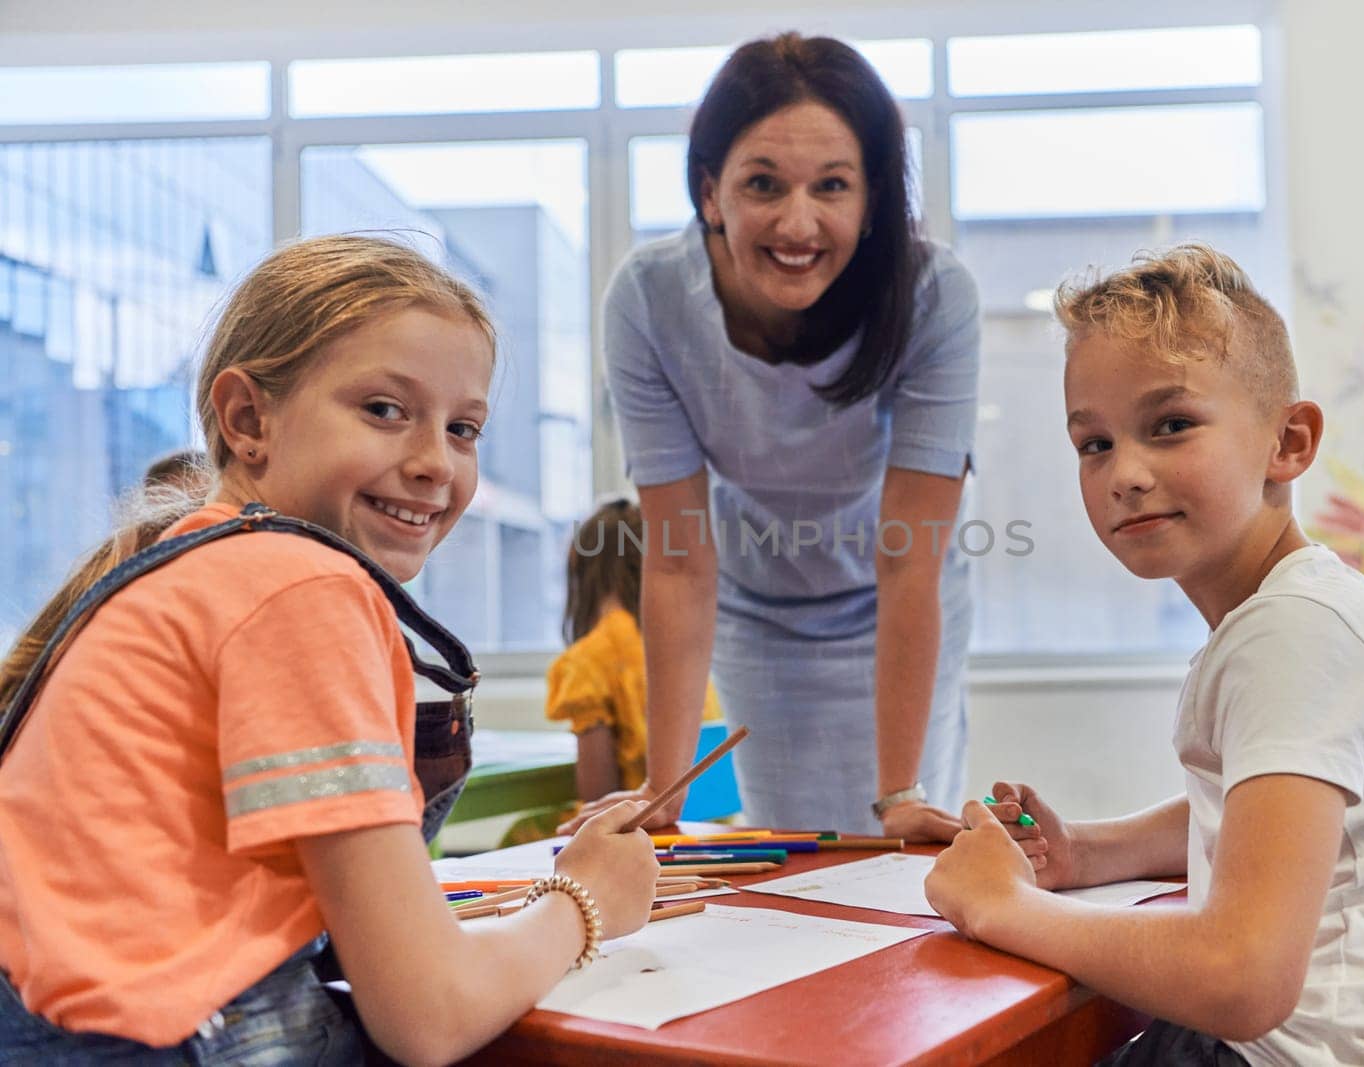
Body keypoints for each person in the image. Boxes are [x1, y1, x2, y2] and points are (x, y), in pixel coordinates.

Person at [0, 235, 657, 1065]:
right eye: (385, 410)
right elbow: (430, 1015)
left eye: (463, 428)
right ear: (248, 420)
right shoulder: (297, 586)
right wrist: (584, 899)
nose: (433, 464)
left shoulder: (193, 564)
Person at [924, 245, 1364, 1065]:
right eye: (1093, 443)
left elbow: (1241, 979)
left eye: (1170, 426)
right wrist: (1090, 852)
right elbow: (1270, 815)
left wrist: (1003, 907)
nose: (1124, 474)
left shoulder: (1295, 634)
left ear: (1289, 441)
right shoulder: (1298, 610)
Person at [566, 32, 980, 841]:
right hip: (758, 607)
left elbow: (909, 555)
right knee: (798, 854)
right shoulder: (649, 301)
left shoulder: (934, 296)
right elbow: (681, 556)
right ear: (711, 191)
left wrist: (899, 793)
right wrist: (663, 792)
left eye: (833, 185)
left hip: (896, 597)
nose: (799, 222)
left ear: (871, 201)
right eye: (763, 183)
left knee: (897, 850)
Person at [547, 498, 721, 802]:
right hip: (711, 827)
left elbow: (598, 798)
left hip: (649, 833)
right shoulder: (680, 646)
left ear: (579, 565)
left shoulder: (588, 661)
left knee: (518, 834)